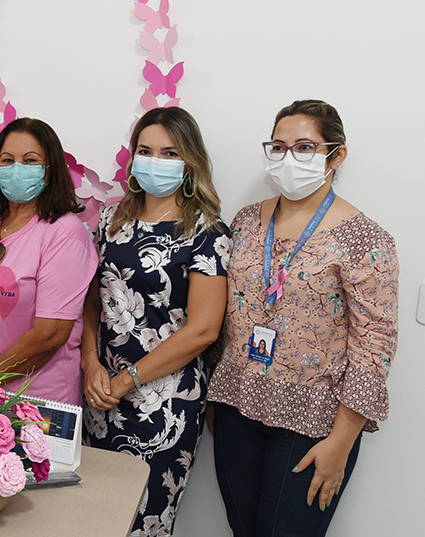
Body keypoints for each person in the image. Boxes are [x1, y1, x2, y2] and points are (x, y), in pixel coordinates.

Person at [208, 100, 398, 537]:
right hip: (238, 408)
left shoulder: (366, 239)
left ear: (337, 155)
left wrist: (342, 441)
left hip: (314, 424)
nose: (289, 157)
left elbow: (375, 345)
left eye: (305, 147)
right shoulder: (246, 222)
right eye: (279, 146)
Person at [80, 107, 229, 537]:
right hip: (100, 393)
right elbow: (93, 297)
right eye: (145, 151)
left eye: (169, 153)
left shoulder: (207, 232)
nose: (154, 161)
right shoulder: (111, 219)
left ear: (189, 163)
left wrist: (127, 379)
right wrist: (91, 361)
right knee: (90, 516)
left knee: (144, 521)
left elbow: (203, 329)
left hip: (164, 405)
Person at [0, 118, 96, 403]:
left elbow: (50, 335)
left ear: (49, 171)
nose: (16, 168)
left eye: (30, 160)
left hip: (38, 402)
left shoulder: (65, 233)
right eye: (7, 160)